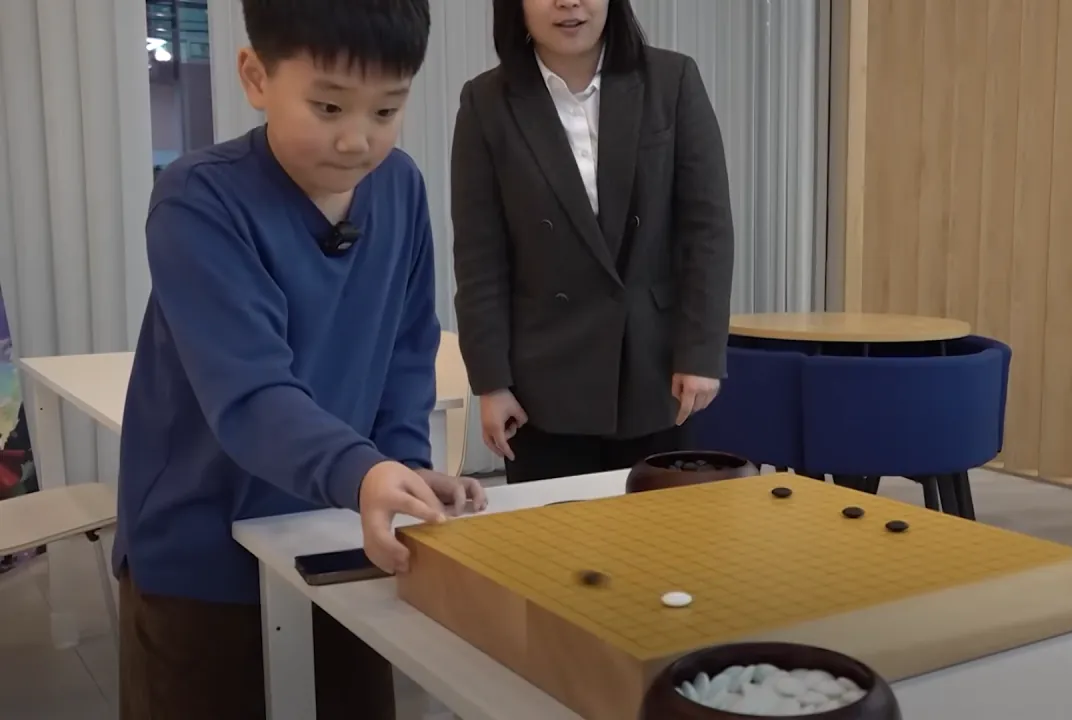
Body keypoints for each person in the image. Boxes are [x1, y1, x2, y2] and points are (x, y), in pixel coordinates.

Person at [112, 1, 486, 718]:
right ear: (256, 76)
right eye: (328, 106)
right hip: (204, 556)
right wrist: (364, 472)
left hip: (340, 530)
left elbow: (407, 352)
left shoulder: (399, 187)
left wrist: (401, 469)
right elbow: (251, 394)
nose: (357, 139)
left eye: (386, 110)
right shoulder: (199, 199)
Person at [452, 0, 735, 484]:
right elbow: (480, 258)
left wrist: (701, 353)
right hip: (543, 385)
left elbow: (706, 229)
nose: (568, 3)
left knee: (664, 527)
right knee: (554, 530)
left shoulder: (671, 80)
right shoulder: (487, 102)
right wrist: (492, 383)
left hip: (658, 371)